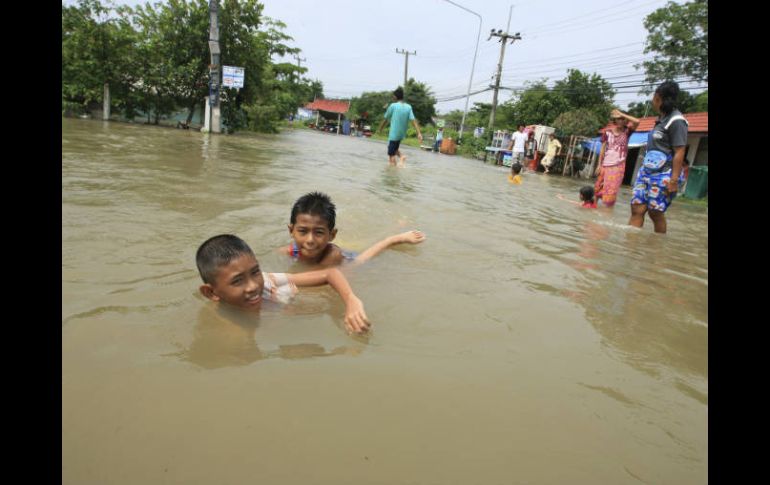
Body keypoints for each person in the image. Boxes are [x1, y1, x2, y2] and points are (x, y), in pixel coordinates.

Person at [196, 234, 371, 334]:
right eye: (237, 281)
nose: (252, 286)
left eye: (255, 272)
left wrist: (351, 300)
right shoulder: (220, 319)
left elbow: (330, 273)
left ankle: (389, 240)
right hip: (284, 304)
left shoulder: (268, 281)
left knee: (357, 264)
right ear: (211, 293)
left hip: (302, 293)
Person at [279, 192, 426, 267]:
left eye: (319, 232)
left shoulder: (332, 256)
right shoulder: (289, 251)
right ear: (291, 230)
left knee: (365, 256)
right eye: (303, 231)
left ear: (332, 235)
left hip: (351, 260)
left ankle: (395, 238)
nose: (310, 240)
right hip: (335, 249)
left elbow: (321, 279)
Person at [629, 81, 689, 234]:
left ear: (659, 98)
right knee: (637, 208)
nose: (652, 100)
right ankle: (630, 246)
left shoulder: (677, 121)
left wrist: (674, 180)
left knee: (655, 212)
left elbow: (680, 151)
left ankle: (657, 249)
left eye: (654, 96)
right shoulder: (660, 119)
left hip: (665, 174)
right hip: (647, 172)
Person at [594, 109, 640, 207]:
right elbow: (602, 149)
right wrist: (599, 165)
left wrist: (622, 114)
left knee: (611, 192)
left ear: (625, 121)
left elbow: (637, 121)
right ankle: (593, 209)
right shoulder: (607, 132)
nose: (620, 121)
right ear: (615, 120)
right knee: (597, 190)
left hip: (618, 166)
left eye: (622, 119)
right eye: (618, 119)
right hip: (605, 164)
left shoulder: (627, 131)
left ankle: (607, 213)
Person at [377, 87, 423, 167]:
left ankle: (393, 172)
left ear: (395, 96)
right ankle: (401, 157)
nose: (392, 97)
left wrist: (380, 129)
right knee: (393, 148)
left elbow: (385, 119)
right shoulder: (409, 107)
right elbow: (413, 121)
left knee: (391, 155)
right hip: (401, 134)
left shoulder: (393, 106)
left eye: (393, 96)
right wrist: (419, 133)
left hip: (394, 134)